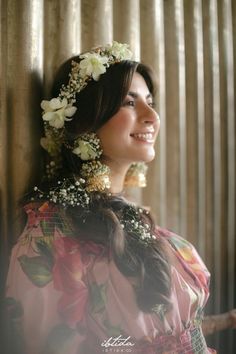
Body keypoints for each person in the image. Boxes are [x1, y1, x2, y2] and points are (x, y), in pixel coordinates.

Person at [4, 41, 235, 354]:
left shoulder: (131, 215)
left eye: (150, 101)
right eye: (130, 102)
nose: (152, 115)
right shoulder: (50, 231)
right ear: (87, 120)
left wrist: (210, 325)